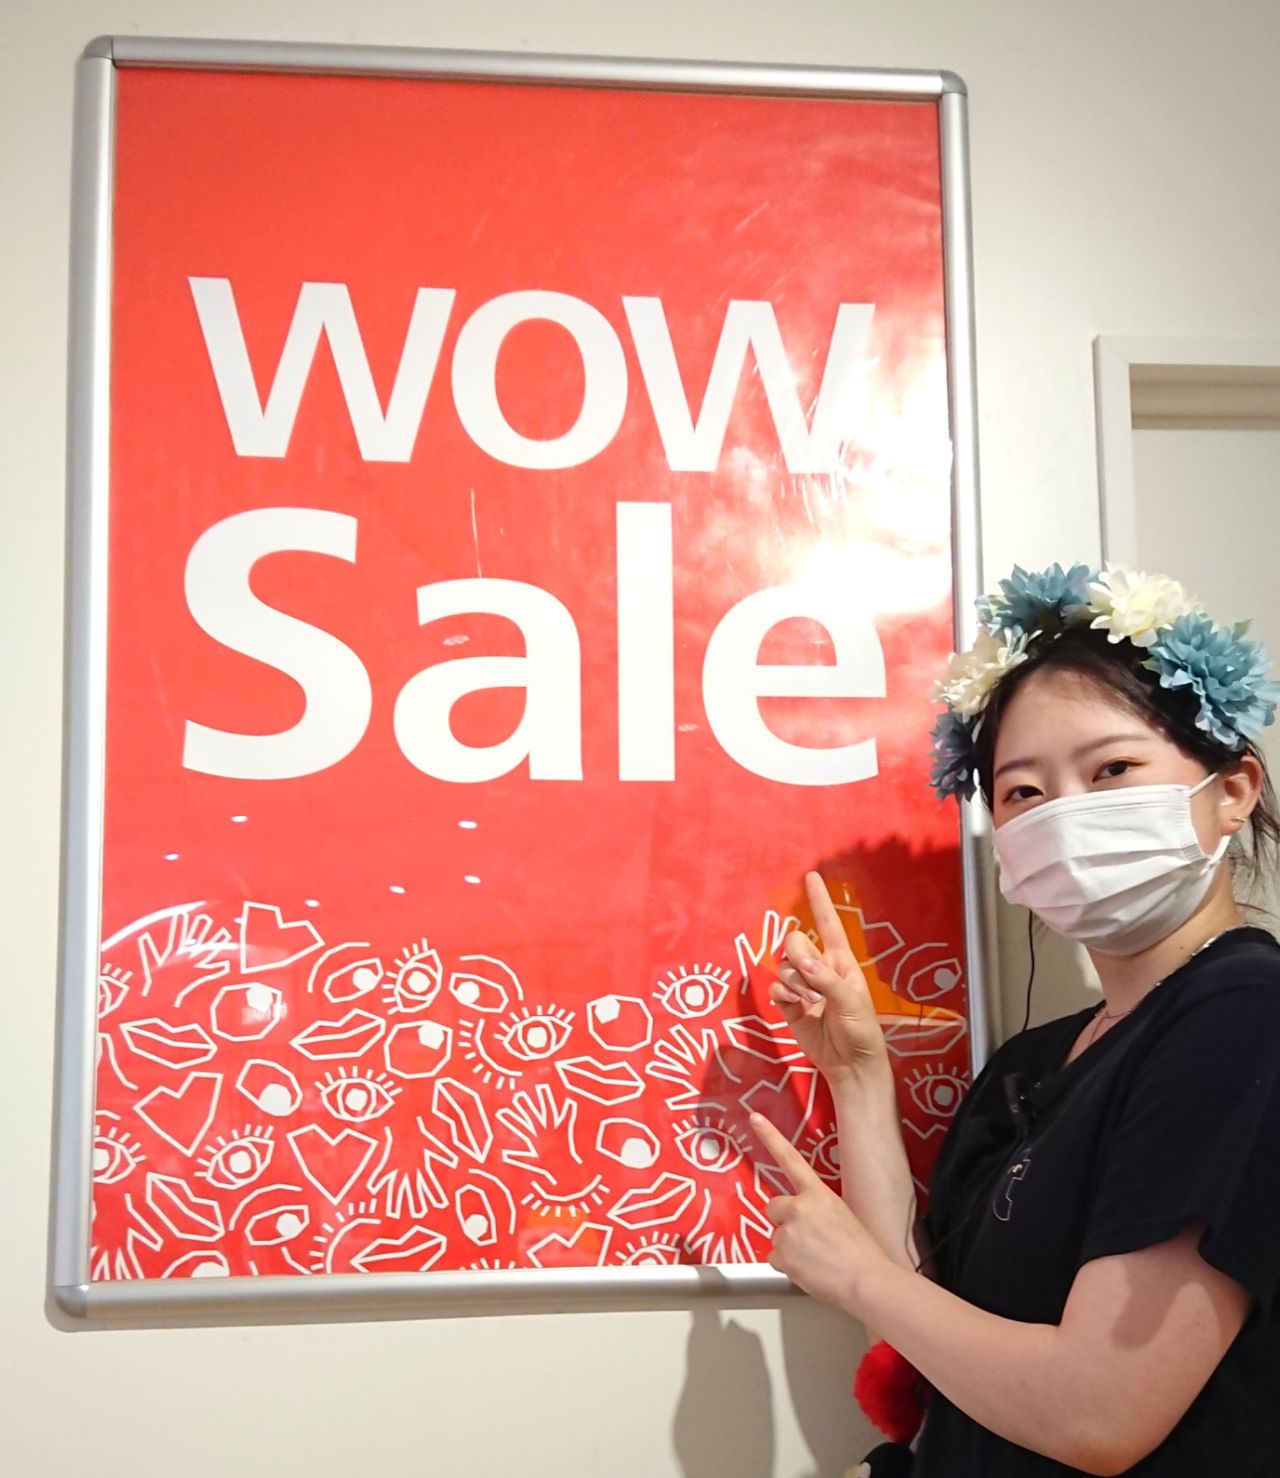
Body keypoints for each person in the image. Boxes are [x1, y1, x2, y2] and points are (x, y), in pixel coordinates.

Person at [750, 562, 1280, 1476]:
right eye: (1023, 792)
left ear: (1232, 791)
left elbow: (1099, 1413)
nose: (1065, 815)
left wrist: (856, 1276)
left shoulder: (1243, 1018)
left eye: (1112, 770)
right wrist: (857, 1076)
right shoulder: (1033, 1063)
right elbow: (928, 1340)